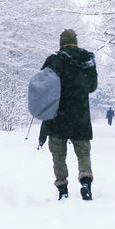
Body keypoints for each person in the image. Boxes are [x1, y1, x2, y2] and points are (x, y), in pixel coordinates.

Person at [38, 29, 98, 201]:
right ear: (76, 42)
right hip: (80, 114)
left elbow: (42, 85)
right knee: (83, 152)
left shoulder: (53, 59)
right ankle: (86, 182)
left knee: (58, 153)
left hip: (58, 114)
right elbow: (92, 87)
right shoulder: (88, 59)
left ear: (61, 42)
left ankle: (62, 188)